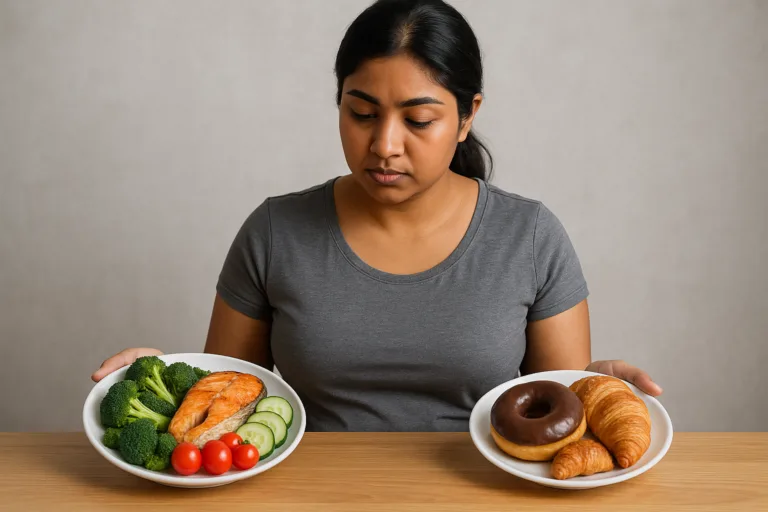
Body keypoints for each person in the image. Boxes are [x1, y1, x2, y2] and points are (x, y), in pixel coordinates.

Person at [92, 0, 662, 432]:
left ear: (467, 117)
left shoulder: (530, 237)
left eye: (418, 121)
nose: (385, 145)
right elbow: (226, 400)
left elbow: (555, 418)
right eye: (362, 112)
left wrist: (594, 390)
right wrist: (162, 379)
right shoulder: (274, 232)